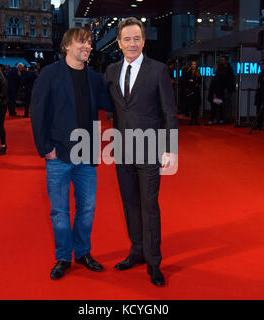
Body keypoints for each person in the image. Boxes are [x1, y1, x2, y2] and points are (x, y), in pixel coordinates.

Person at [30, 27, 111, 280]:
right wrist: (46, 148)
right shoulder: (50, 74)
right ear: (67, 46)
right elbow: (37, 112)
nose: (87, 46)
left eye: (88, 42)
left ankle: (83, 252)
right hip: (59, 156)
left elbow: (111, 104)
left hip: (86, 154)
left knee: (87, 208)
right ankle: (64, 257)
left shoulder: (94, 78)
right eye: (81, 42)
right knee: (60, 211)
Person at [104, 17, 178, 287]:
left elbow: (169, 111)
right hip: (122, 150)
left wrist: (170, 148)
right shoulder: (110, 72)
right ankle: (136, 251)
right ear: (119, 43)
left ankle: (154, 261)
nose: (132, 43)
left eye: (137, 38)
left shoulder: (157, 70)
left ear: (144, 41)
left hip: (150, 150)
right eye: (127, 39)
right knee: (129, 204)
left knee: (149, 206)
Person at [185, 60, 202, 125]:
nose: (193, 65)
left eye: (194, 64)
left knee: (196, 106)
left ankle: (196, 120)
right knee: (191, 106)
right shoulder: (188, 72)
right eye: (192, 64)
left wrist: (192, 81)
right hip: (190, 91)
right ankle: (192, 120)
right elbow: (186, 81)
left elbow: (199, 82)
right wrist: (193, 82)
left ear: (196, 65)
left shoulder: (198, 72)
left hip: (196, 92)